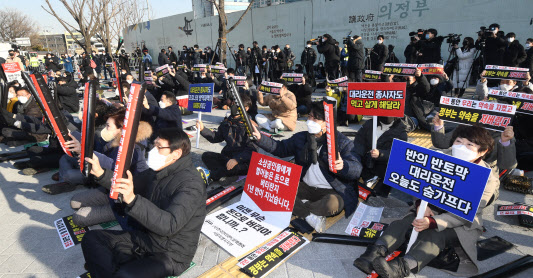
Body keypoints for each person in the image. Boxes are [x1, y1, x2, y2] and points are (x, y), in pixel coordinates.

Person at [354, 125, 499, 278]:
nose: (462, 147)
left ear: (482, 152)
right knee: (404, 223)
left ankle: (400, 267)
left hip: (459, 223)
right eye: (459, 141)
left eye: (470, 145)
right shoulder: (438, 157)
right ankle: (372, 254)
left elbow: (468, 212)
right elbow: (418, 184)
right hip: (430, 209)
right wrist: (420, 206)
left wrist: (433, 222)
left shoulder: (487, 179)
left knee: (435, 236)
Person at [82, 128, 206, 277]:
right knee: (92, 239)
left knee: (124, 275)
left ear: (176, 154)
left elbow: (169, 225)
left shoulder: (191, 185)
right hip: (145, 238)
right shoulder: (157, 170)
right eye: (154, 145)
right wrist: (101, 173)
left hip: (171, 253)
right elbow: (130, 182)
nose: (153, 151)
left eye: (159, 147)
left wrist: (133, 200)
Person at [251, 102, 361, 232]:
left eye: (316, 118)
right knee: (277, 190)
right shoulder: (302, 137)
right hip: (306, 186)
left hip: (331, 191)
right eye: (309, 116)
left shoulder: (342, 143)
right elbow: (280, 148)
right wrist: (260, 138)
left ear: (327, 123)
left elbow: (357, 169)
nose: (310, 121)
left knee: (332, 204)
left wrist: (344, 166)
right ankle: (309, 215)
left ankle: (300, 207)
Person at [197, 94, 258, 184]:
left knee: (237, 168)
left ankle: (211, 175)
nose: (234, 106)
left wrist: (237, 159)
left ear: (246, 108)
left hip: (243, 161)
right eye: (233, 103)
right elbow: (216, 138)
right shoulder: (227, 122)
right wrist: (203, 130)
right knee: (206, 156)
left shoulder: (251, 126)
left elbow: (252, 149)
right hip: (228, 157)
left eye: (237, 105)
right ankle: (225, 175)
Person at [431, 114, 517, 172]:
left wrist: (505, 142)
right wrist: (438, 126)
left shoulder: (503, 136)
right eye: (459, 141)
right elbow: (441, 143)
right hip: (454, 167)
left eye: (469, 144)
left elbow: (508, 165)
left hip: (480, 175)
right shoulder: (466, 128)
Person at [353, 116, 407, 197]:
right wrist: (355, 161)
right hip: (364, 166)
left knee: (375, 198)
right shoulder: (369, 124)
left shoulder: (401, 132)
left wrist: (381, 154)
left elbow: (399, 155)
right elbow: (358, 144)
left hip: (383, 172)